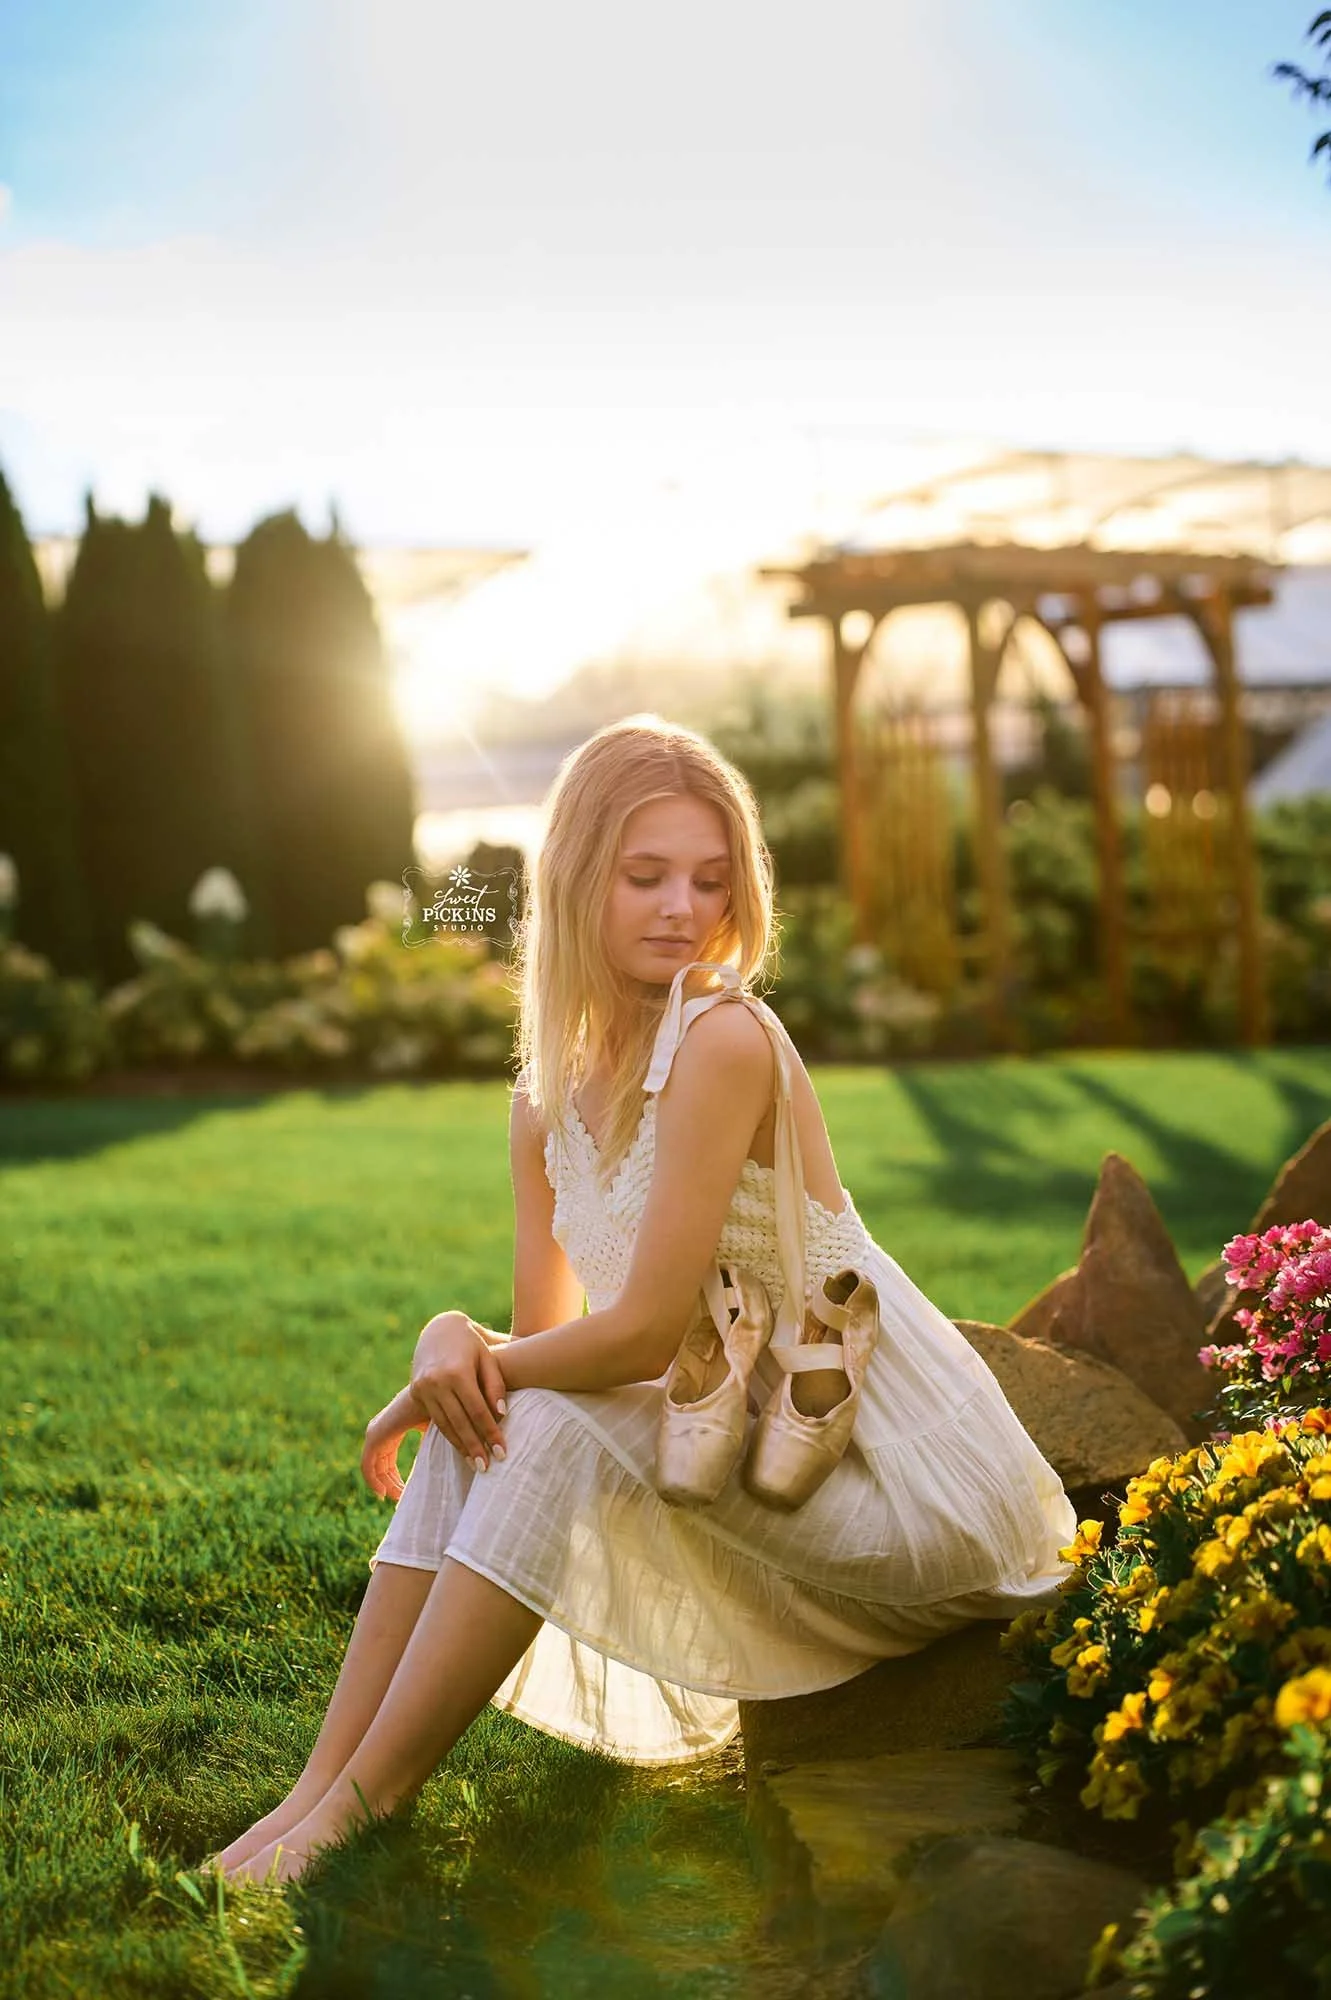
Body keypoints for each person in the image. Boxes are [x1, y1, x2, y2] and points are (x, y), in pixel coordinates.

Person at [210, 714, 1078, 1887]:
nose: (681, 905)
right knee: (496, 1421)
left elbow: (649, 1333)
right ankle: (309, 1798)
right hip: (735, 1459)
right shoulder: (542, 1102)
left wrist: (467, 1364)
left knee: (530, 1412)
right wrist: (449, 1345)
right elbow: (556, 1347)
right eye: (646, 874)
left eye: (709, 879)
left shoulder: (724, 1041)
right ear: (575, 879)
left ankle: (360, 1809)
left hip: (890, 1486)